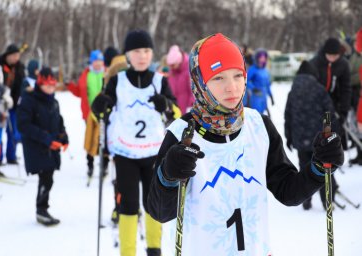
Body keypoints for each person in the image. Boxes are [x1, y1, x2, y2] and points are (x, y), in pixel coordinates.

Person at [147, 33, 344, 255]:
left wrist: (319, 166)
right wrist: (169, 175)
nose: (231, 87)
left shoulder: (259, 126)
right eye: (218, 78)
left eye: (237, 75)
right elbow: (160, 212)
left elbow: (289, 191)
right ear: (200, 82)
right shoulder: (182, 134)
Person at [91, 29, 176, 256]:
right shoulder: (117, 81)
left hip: (154, 154)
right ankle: (128, 252)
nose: (142, 56)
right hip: (125, 153)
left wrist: (165, 105)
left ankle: (154, 249)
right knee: (127, 206)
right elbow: (100, 113)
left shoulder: (160, 81)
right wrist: (99, 107)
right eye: (137, 51)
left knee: (152, 205)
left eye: (147, 50)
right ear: (128, 55)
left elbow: (176, 115)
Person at [17, 67, 68, 226]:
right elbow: (23, 125)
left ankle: (42, 207)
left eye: (52, 85)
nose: (50, 88)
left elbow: (59, 121)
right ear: (40, 84)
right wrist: (45, 138)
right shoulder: (29, 99)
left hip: (50, 147)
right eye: (46, 85)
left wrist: (63, 136)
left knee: (48, 177)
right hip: (36, 146)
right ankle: (41, 209)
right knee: (46, 177)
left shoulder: (54, 101)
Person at [284, 61, 338, 210]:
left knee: (304, 168)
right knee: (323, 169)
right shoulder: (320, 89)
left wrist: (288, 136)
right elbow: (329, 115)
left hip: (300, 139)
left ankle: (306, 199)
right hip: (319, 140)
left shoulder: (293, 91)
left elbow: (288, 115)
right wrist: (333, 136)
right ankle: (327, 201)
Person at [67, 50, 105, 177]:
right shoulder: (86, 75)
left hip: (105, 113)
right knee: (90, 139)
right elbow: (79, 91)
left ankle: (104, 164)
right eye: (96, 61)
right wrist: (70, 85)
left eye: (100, 61)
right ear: (91, 62)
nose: (98, 64)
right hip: (89, 113)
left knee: (103, 139)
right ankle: (90, 165)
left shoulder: (107, 74)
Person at [310, 38, 351, 149]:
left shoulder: (343, 64)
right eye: (330, 56)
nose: (332, 59)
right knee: (317, 130)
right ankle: (318, 151)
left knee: (329, 129)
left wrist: (344, 110)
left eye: (335, 56)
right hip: (317, 103)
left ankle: (329, 154)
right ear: (325, 53)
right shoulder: (315, 63)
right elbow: (309, 86)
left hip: (332, 103)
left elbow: (345, 88)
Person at [243, 48, 274, 115]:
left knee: (264, 116)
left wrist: (271, 96)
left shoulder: (265, 70)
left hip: (264, 97)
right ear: (257, 58)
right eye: (261, 58)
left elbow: (267, 85)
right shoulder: (252, 69)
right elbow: (247, 81)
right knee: (257, 115)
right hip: (256, 97)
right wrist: (254, 88)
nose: (262, 59)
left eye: (264, 58)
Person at [166, 45, 194, 114]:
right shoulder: (172, 73)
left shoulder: (189, 70)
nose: (171, 67)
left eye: (173, 65)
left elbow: (193, 90)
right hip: (175, 109)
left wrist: (191, 105)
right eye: (170, 65)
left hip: (187, 108)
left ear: (178, 61)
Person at [348, 28, 362, 164]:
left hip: (357, 94)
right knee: (354, 128)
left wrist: (350, 78)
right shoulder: (354, 56)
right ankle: (359, 153)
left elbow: (356, 76)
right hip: (353, 97)